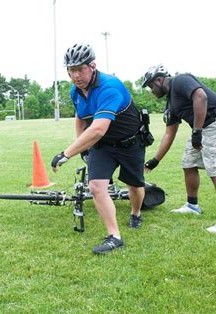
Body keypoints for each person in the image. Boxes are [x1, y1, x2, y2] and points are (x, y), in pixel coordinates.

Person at [51, 43, 146, 254]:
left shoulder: (109, 87)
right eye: (71, 70)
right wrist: (82, 146)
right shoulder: (75, 91)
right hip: (102, 147)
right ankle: (114, 236)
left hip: (129, 142)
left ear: (92, 66)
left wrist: (66, 154)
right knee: (95, 186)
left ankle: (136, 213)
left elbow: (98, 128)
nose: (75, 75)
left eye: (80, 69)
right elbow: (81, 117)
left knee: (134, 186)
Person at [142, 64, 216, 233]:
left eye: (151, 85)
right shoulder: (171, 104)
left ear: (159, 79)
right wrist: (155, 161)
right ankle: (192, 205)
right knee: (189, 163)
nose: (151, 90)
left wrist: (197, 132)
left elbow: (201, 97)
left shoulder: (181, 80)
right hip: (202, 128)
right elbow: (169, 134)